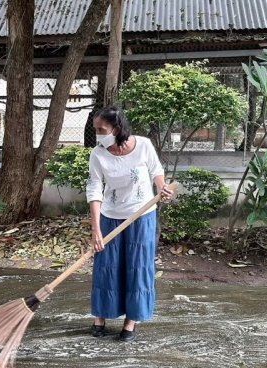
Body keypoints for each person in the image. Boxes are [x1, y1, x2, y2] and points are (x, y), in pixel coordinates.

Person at [85, 106, 173, 342]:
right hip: (110, 215)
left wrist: (161, 187)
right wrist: (96, 229)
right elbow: (94, 189)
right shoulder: (98, 154)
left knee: (138, 266)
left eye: (101, 129)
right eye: (96, 130)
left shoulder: (143, 145)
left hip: (142, 215)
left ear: (117, 128)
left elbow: (156, 171)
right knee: (106, 266)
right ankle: (101, 317)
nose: (98, 134)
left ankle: (130, 322)